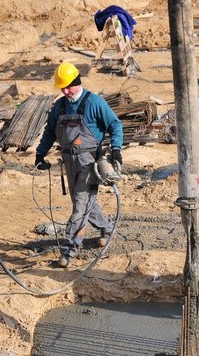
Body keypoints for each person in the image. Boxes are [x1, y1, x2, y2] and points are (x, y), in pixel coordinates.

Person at [34, 62, 123, 268]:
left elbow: (115, 124)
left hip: (89, 162)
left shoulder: (94, 102)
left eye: (68, 87)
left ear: (77, 82)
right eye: (62, 88)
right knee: (83, 201)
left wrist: (116, 149)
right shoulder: (60, 105)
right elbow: (50, 131)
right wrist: (40, 153)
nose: (65, 91)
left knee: (80, 205)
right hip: (68, 161)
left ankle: (69, 250)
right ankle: (107, 227)